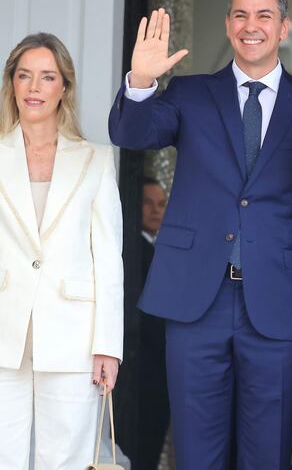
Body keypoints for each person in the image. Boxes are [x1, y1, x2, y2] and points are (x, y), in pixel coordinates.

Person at [108, 0, 292, 470]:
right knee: (196, 455)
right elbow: (132, 134)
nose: (250, 26)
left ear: (284, 27)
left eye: (264, 15)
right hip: (196, 301)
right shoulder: (190, 94)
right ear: (227, 24)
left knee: (266, 456)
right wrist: (141, 82)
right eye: (240, 15)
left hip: (279, 307)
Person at [0, 33, 123, 469]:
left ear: (64, 87)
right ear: (12, 84)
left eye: (47, 77)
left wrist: (108, 345)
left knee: (67, 461)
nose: (34, 87)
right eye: (25, 76)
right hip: (3, 331)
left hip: (74, 337)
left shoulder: (96, 160)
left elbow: (109, 260)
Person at [114, 176, 170, 470]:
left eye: (161, 204)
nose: (156, 210)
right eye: (148, 203)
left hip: (155, 368)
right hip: (139, 367)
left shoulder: (158, 249)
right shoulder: (133, 249)